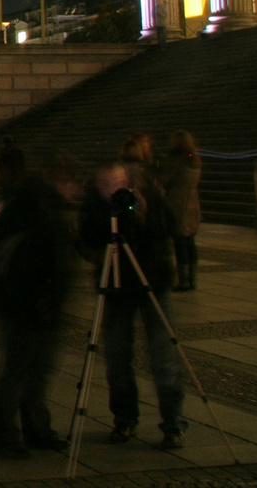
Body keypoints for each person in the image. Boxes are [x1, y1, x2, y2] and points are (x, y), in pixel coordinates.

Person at [79, 160, 185, 449]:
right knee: (117, 358)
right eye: (106, 185)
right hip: (116, 287)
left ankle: (173, 422)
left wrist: (144, 214)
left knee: (164, 356)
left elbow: (173, 228)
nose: (114, 191)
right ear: (98, 187)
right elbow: (85, 240)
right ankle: (124, 420)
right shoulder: (96, 208)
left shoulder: (149, 199)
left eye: (118, 183)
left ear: (130, 180)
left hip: (153, 281)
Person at [0, 152, 80, 458]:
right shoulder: (37, 206)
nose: (75, 193)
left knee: (37, 371)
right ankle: (7, 436)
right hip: (26, 301)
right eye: (72, 185)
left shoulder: (39, 203)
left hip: (39, 302)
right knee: (19, 371)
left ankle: (35, 430)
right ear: (61, 181)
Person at [161, 130, 202, 292]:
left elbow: (166, 179)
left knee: (179, 240)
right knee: (190, 240)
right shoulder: (194, 158)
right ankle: (192, 279)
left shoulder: (176, 159)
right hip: (192, 201)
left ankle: (183, 280)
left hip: (178, 200)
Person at [0, 136, 26, 201]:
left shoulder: (3, 151)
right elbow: (22, 163)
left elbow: (0, 164)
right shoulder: (18, 151)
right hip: (15, 175)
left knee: (7, 193)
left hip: (7, 176)